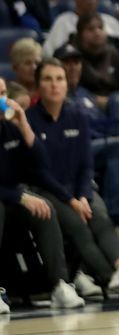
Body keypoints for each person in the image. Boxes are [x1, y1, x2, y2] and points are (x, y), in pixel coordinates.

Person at [27, 59, 119, 301]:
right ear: (38, 86)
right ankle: (112, 279)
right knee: (79, 225)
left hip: (77, 189)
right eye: (47, 79)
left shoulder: (77, 116)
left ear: (67, 84)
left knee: (99, 215)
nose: (55, 85)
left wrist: (83, 195)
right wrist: (72, 200)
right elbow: (39, 171)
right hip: (47, 190)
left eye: (59, 79)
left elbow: (86, 164)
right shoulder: (30, 119)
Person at [0, 77, 86, 309]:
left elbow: (40, 166)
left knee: (44, 208)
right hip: (7, 199)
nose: (2, 100)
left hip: (13, 199)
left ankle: (60, 285)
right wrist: (19, 196)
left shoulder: (10, 127)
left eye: (3, 93)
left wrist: (24, 126)